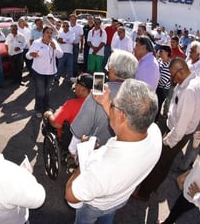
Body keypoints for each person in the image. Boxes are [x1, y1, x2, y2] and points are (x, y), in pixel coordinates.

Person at [65, 79, 162, 224]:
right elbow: (127, 128)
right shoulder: (155, 133)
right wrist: (106, 103)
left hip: (95, 206)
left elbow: (70, 196)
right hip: (120, 199)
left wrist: (86, 156)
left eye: (113, 105)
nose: (111, 106)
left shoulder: (103, 167)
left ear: (122, 115)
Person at [132, 57, 200, 201]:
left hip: (177, 134)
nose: (172, 79)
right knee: (166, 163)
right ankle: (153, 186)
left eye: (173, 75)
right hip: (179, 132)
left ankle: (143, 193)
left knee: (158, 162)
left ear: (181, 71)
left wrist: (167, 141)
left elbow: (181, 126)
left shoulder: (189, 91)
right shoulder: (194, 80)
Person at [71, 50, 138, 149]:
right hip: (126, 149)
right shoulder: (138, 93)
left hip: (99, 149)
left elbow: (81, 126)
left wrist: (72, 150)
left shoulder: (99, 90)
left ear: (113, 69)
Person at [43, 73, 93, 159]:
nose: (74, 86)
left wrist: (49, 115)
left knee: (49, 121)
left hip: (71, 140)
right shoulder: (99, 104)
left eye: (77, 84)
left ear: (83, 90)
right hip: (91, 137)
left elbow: (56, 124)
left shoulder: (71, 104)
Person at [26, 26, 63, 117]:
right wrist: (31, 54)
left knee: (47, 91)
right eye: (47, 32)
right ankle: (38, 109)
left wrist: (55, 48)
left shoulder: (54, 42)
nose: (49, 34)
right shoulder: (36, 42)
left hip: (51, 72)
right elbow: (28, 55)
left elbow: (60, 55)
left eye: (51, 33)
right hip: (39, 72)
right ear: (43, 34)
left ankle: (46, 107)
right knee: (40, 91)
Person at [156, 45, 172, 121]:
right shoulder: (159, 61)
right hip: (156, 87)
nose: (160, 53)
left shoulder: (168, 66)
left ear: (167, 53)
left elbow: (163, 80)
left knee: (157, 108)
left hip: (162, 90)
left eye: (162, 51)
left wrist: (155, 76)